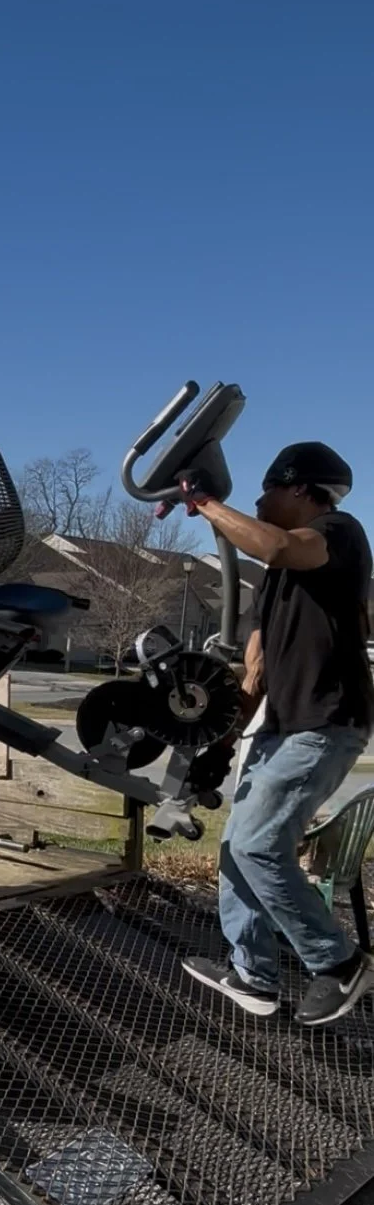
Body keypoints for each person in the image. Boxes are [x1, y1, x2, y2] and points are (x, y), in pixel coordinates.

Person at [178, 440, 374, 1027]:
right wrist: (219, 743)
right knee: (237, 846)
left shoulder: (337, 532)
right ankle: (252, 975)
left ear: (298, 488)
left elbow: (280, 544)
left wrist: (205, 501)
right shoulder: (276, 582)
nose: (259, 501)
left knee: (260, 845)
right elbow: (256, 671)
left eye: (267, 490)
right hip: (281, 729)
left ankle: (337, 963)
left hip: (325, 722)